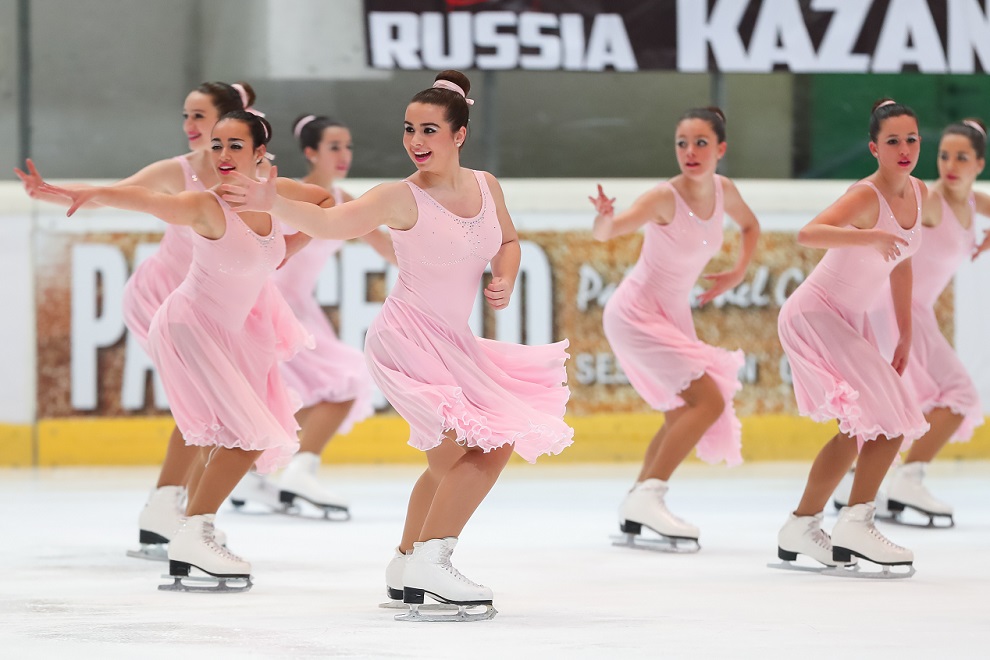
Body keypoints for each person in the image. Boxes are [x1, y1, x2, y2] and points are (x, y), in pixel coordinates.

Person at [221, 70, 573, 619]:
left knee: (453, 457)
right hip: (406, 340)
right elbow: (331, 223)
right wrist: (274, 202)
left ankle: (408, 562)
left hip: (455, 343)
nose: (416, 141)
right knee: (486, 444)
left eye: (430, 129)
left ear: (459, 135)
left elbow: (506, 238)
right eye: (409, 129)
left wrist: (504, 274)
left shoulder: (486, 185)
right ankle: (433, 561)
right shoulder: (398, 197)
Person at [39, 111, 331, 591]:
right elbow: (151, 200)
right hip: (190, 327)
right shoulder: (206, 205)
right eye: (216, 146)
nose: (222, 156)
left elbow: (324, 201)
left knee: (237, 431)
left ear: (261, 153)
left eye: (235, 145)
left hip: (228, 330)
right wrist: (95, 193)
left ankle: (193, 530)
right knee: (250, 431)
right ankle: (195, 534)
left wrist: (286, 245)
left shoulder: (274, 200)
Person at [15, 81, 255, 560]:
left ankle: (170, 507)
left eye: (199, 117)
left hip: (218, 303)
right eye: (185, 116)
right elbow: (120, 194)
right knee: (206, 402)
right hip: (164, 297)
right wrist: (51, 195)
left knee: (211, 404)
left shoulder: (254, 175)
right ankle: (170, 507)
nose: (189, 127)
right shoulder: (179, 171)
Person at [588, 107, 760, 551]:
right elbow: (609, 232)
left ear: (721, 149)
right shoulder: (665, 197)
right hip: (636, 312)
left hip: (671, 313)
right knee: (709, 401)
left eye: (701, 142)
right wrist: (605, 216)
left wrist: (738, 272)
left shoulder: (725, 191)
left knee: (683, 411)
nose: (690, 152)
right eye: (682, 143)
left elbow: (749, 225)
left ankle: (638, 499)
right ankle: (650, 494)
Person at [775, 99, 929, 576]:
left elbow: (902, 263)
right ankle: (857, 521)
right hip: (816, 314)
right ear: (873, 148)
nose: (904, 149)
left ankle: (800, 526)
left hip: (849, 318)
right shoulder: (866, 196)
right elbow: (807, 234)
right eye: (892, 142)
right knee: (892, 419)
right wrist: (868, 238)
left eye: (911, 139)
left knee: (855, 429)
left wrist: (904, 332)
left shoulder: (920, 192)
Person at [231, 114, 395, 518]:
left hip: (300, 308)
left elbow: (388, 248)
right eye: (333, 147)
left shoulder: (344, 202)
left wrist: (441, 254)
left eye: (348, 147)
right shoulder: (285, 193)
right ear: (310, 152)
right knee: (347, 378)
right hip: (269, 304)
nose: (344, 156)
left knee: (306, 394)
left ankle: (254, 472)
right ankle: (299, 470)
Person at [838, 118, 990, 526]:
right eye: (944, 155)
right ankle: (908, 476)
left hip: (913, 311)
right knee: (959, 394)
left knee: (899, 401)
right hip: (895, 307)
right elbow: (890, 197)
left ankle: (855, 478)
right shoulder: (930, 199)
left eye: (962, 157)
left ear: (980, 163)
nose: (950, 164)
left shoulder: (974, 202)